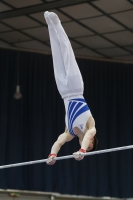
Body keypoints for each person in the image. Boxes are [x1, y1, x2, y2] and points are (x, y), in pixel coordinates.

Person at [44, 11, 98, 165]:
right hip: (75, 89)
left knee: (56, 54)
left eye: (86, 148)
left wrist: (52, 155)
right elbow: (86, 138)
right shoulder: (91, 129)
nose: (87, 147)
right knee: (66, 51)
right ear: (92, 141)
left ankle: (49, 23)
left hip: (63, 92)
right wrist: (82, 151)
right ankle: (57, 21)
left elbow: (59, 141)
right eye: (89, 147)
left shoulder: (70, 133)